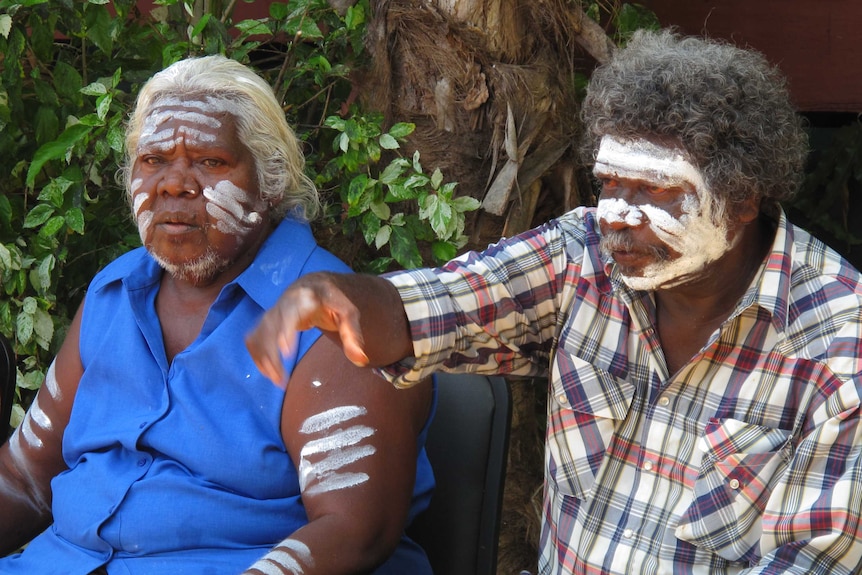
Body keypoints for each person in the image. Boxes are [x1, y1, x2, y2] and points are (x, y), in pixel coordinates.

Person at [246, 29, 862, 574]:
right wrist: (330, 297)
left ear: (742, 198)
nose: (617, 215)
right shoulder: (583, 256)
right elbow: (440, 304)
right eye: (610, 182)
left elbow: (813, 559)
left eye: (653, 189)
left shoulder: (839, 345)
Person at [0, 54, 435, 575]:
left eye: (209, 162)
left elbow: (355, 532)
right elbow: (25, 479)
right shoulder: (112, 295)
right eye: (152, 159)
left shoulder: (331, 318)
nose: (173, 184)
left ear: (269, 182)